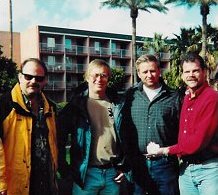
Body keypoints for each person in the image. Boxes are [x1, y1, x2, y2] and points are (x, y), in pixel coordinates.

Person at [147, 52, 218, 195]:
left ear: (204, 72)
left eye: (195, 71)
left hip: (208, 170)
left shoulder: (212, 98)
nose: (191, 75)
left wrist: (164, 150)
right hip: (185, 169)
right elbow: (182, 135)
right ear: (182, 75)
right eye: (187, 71)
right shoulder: (186, 98)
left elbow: (196, 143)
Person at [58, 59, 129, 195]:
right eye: (95, 75)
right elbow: (58, 139)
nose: (99, 79)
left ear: (108, 78)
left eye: (104, 75)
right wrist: (65, 169)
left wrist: (124, 166)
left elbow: (128, 137)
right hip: (86, 175)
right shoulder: (75, 106)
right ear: (87, 77)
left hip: (112, 174)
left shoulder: (118, 105)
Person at [121, 54, 180, 195]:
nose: (149, 75)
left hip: (165, 165)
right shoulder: (130, 96)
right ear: (139, 74)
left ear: (159, 71)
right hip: (137, 164)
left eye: (152, 71)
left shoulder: (174, 96)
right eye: (145, 72)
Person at [0, 58, 58, 195]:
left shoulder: (51, 108)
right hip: (16, 185)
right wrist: (1, 183)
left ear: (45, 81)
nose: (33, 81)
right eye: (28, 76)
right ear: (20, 77)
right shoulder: (4, 105)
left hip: (46, 184)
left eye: (39, 78)